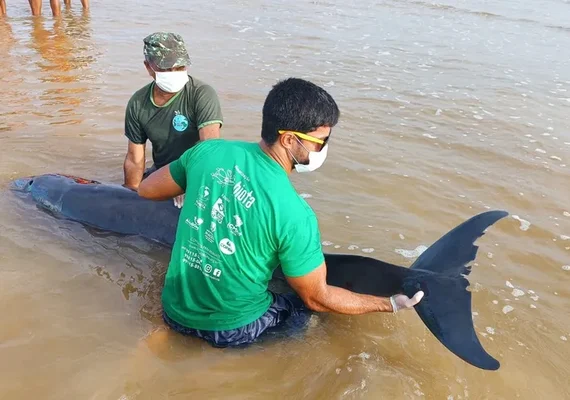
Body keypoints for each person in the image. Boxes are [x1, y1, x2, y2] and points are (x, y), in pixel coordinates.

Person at [137, 78, 424, 347]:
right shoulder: (296, 214)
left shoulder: (207, 152)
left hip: (172, 310)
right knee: (304, 313)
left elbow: (146, 190)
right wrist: (389, 304)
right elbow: (318, 298)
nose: (324, 149)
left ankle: (167, 336)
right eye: (320, 141)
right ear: (288, 140)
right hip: (230, 329)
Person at [123, 32, 223, 208]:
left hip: (197, 173)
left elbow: (210, 149)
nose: (174, 73)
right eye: (166, 68)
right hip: (162, 172)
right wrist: (130, 197)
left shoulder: (201, 94)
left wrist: (187, 183)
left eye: (179, 67)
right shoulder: (138, 103)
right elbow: (134, 159)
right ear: (148, 67)